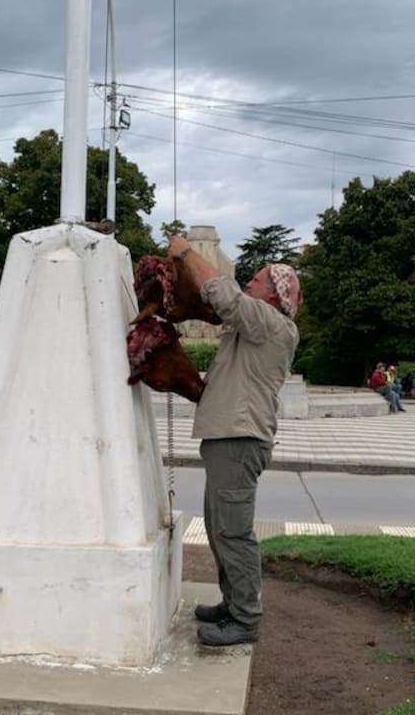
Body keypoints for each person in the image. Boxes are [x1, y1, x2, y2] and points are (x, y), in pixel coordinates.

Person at [168, 234, 301, 647]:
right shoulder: (253, 332)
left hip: (240, 440)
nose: (248, 283)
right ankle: (233, 603)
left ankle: (245, 618)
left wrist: (186, 252)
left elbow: (223, 294)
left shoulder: (271, 323)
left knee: (233, 532)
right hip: (230, 439)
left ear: (274, 294)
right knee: (220, 528)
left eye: (257, 280)